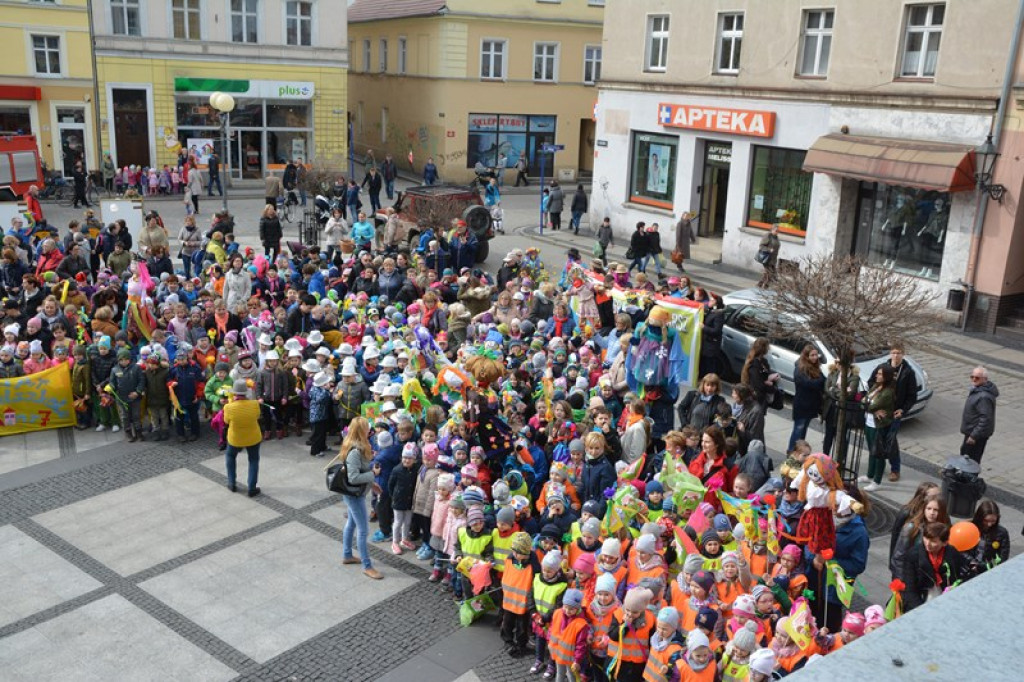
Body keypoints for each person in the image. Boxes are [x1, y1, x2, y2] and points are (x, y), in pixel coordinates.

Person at [335, 416, 384, 580]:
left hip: (354, 494)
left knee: (351, 524)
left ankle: (347, 555)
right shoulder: (355, 451)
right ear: (361, 431)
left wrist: (372, 483)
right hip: (353, 495)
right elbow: (354, 477)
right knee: (363, 530)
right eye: (366, 429)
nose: (369, 431)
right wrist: (373, 475)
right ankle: (367, 566)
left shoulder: (354, 446)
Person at [868, 342, 918, 481]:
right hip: (881, 410)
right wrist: (877, 394)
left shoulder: (908, 372)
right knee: (878, 440)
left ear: (903, 354)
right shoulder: (883, 367)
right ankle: (878, 467)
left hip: (894, 412)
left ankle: (895, 469)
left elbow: (912, 395)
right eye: (894, 352)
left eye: (899, 353)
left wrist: (903, 409)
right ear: (890, 353)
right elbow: (871, 381)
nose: (896, 355)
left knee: (891, 441)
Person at [902, 522, 969, 611]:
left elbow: (961, 574)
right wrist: (919, 610)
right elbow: (909, 588)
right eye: (926, 538)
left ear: (944, 543)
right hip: (922, 600)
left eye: (933, 541)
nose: (928, 544)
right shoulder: (913, 555)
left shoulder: (952, 552)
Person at [223, 379, 263, 497]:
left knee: (230, 456)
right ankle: (252, 487)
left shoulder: (228, 407)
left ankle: (231, 483)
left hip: (235, 438)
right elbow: (257, 416)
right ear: (246, 392)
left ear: (234, 393)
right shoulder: (254, 404)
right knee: (254, 460)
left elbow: (226, 421)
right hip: (253, 437)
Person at [860, 364, 895, 492]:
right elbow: (863, 402)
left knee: (878, 452)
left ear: (886, 376)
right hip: (869, 422)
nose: (877, 375)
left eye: (880, 374)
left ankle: (877, 481)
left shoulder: (887, 392)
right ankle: (870, 475)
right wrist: (872, 409)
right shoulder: (876, 386)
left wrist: (869, 406)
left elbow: (869, 404)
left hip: (879, 426)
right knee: (871, 450)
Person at [789, 345, 825, 453]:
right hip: (802, 405)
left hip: (810, 405)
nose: (815, 357)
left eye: (816, 355)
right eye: (812, 355)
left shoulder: (815, 367)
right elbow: (809, 384)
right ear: (806, 356)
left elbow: (822, 379)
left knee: (803, 431)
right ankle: (791, 452)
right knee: (798, 430)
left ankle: (799, 453)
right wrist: (819, 382)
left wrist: (819, 381)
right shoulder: (800, 368)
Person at [960, 366, 998, 463]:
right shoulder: (978, 390)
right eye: (972, 376)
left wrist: (974, 436)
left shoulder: (983, 397)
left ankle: (968, 478)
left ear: (985, 379)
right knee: (965, 456)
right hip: (972, 432)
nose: (973, 379)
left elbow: (985, 419)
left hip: (975, 435)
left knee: (970, 460)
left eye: (977, 378)